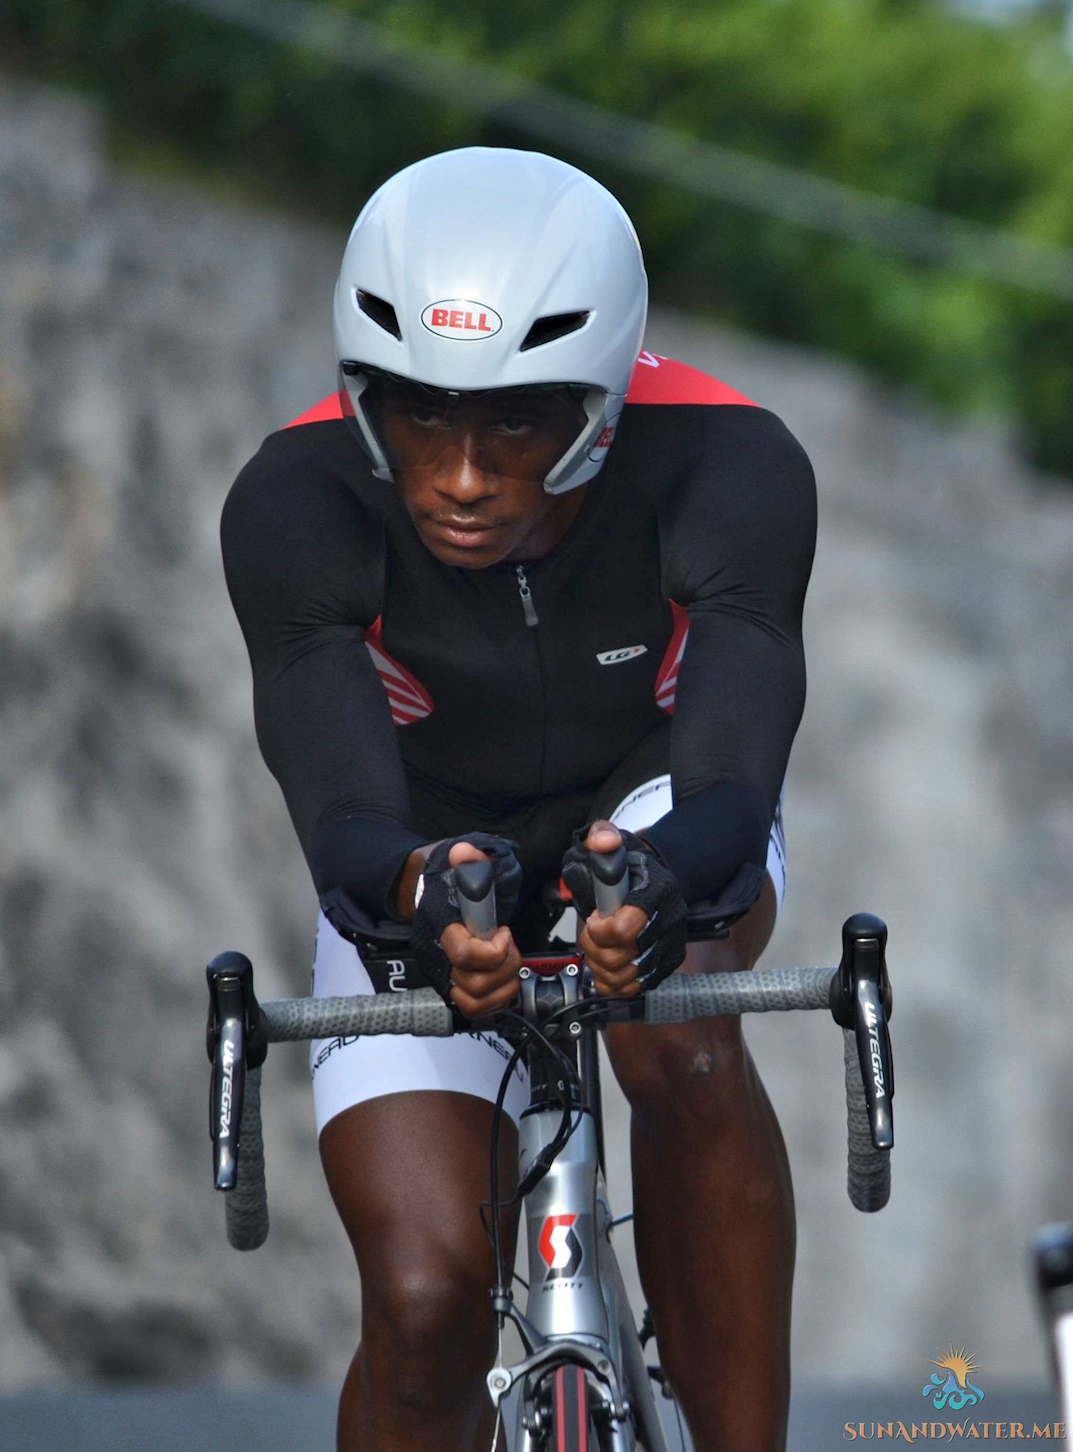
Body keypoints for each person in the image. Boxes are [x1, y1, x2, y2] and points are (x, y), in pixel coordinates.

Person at [221, 146, 816, 1452]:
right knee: (427, 1299)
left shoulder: (728, 462)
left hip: (650, 799)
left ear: (606, 400)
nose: (464, 475)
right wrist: (415, 897)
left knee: (676, 1021)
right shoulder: (294, 499)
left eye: (522, 419)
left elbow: (728, 776)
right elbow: (342, 813)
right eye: (419, 415)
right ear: (359, 392)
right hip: (427, 836)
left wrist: (663, 894)